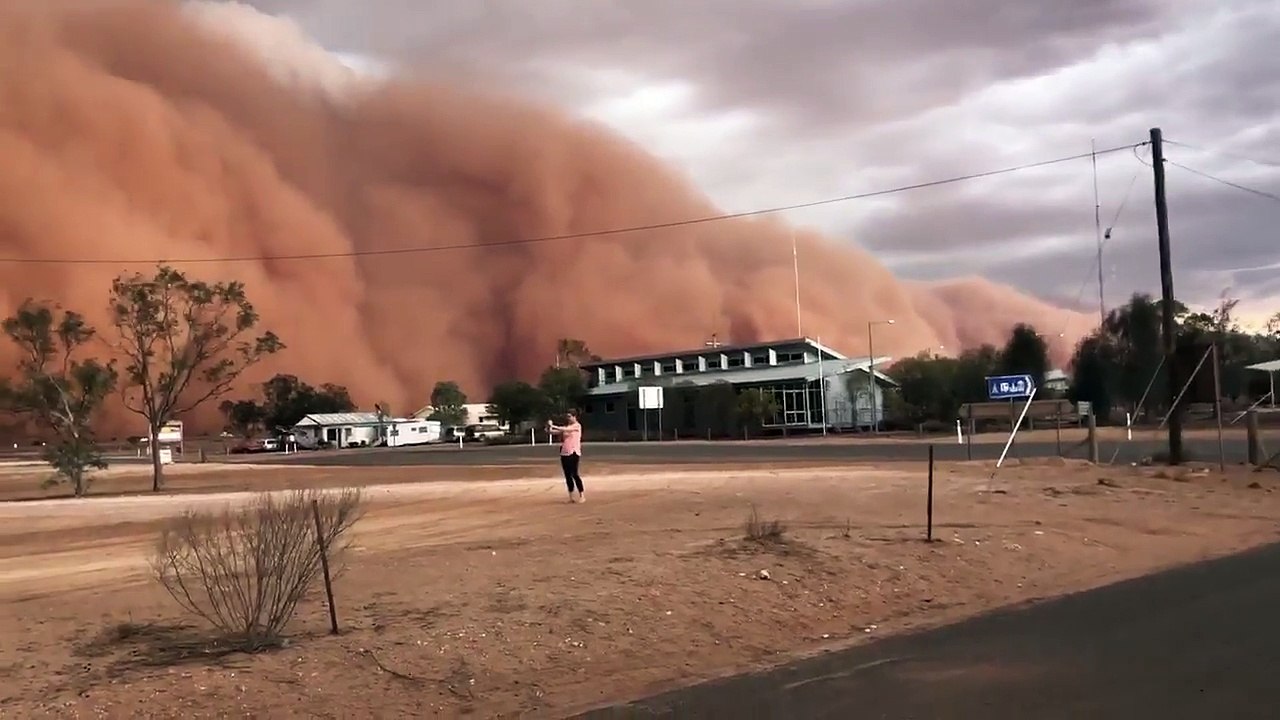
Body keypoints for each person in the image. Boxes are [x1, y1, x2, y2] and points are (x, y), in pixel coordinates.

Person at [548, 411, 585, 503]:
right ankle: (571, 496)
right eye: (567, 416)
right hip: (565, 452)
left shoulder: (577, 426)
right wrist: (549, 426)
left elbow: (565, 429)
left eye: (570, 416)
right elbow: (553, 432)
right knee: (567, 475)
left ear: (575, 417)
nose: (568, 418)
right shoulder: (567, 427)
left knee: (574, 474)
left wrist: (553, 426)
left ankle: (582, 495)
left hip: (574, 452)